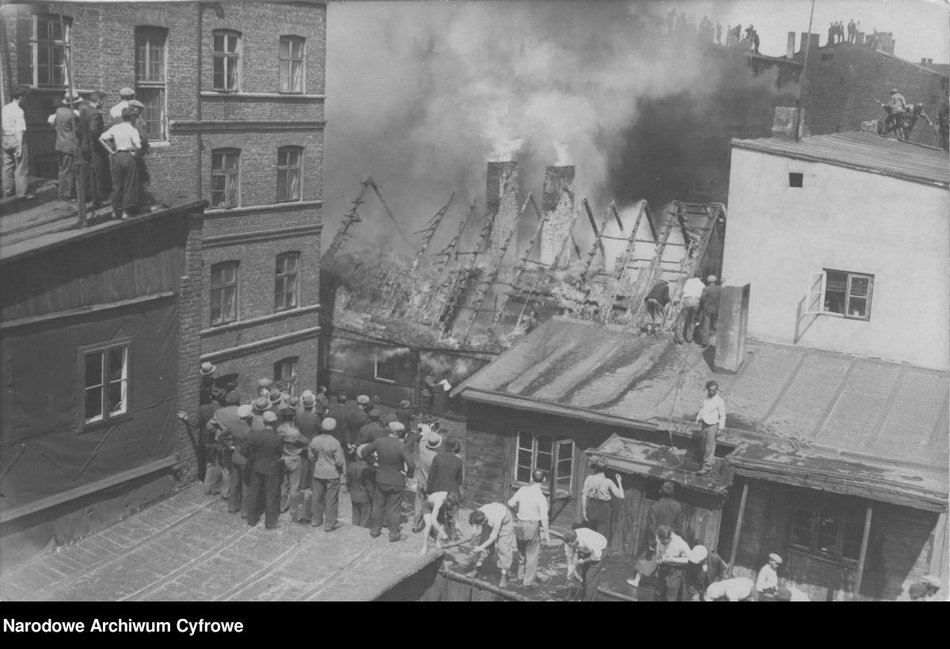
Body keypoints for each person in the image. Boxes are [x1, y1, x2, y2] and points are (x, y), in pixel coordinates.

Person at [361, 420, 414, 541]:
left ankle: (375, 530)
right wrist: (408, 474)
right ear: (400, 433)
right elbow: (411, 464)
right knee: (394, 508)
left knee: (378, 505)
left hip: (381, 478)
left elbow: (364, 452)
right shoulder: (402, 446)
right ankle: (393, 533)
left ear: (389, 430)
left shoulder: (379, 441)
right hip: (397, 480)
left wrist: (373, 463)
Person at [508, 469, 550, 587]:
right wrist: (546, 534)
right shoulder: (541, 497)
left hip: (520, 524)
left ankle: (520, 577)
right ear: (544, 480)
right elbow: (544, 518)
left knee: (522, 552)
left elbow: (510, 503)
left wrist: (516, 512)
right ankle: (528, 582)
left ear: (531, 479)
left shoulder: (523, 489)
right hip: (532, 526)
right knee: (532, 555)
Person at [209, 403, 253, 516]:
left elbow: (220, 437)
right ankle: (245, 511)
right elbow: (249, 447)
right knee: (246, 485)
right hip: (245, 460)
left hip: (234, 457)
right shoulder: (249, 431)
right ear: (249, 416)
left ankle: (232, 506)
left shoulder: (232, 425)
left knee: (234, 483)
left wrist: (229, 446)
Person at [98, 108, 141, 220]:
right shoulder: (133, 130)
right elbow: (139, 146)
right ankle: (125, 212)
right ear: (132, 117)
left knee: (117, 185)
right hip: (128, 156)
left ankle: (114, 211)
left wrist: (111, 151)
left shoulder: (116, 128)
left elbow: (101, 138)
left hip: (116, 157)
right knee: (129, 184)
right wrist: (135, 154)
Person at [246, 410, 283, 529]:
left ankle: (251, 519)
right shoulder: (277, 438)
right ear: (275, 422)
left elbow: (243, 449)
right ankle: (270, 522)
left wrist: (252, 458)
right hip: (271, 469)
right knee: (271, 495)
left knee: (254, 493)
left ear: (263, 421)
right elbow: (279, 454)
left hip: (256, 467)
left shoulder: (255, 435)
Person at [309, 417, 345, 532]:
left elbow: (311, 456)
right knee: (331, 499)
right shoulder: (335, 442)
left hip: (318, 472)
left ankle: (316, 519)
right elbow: (339, 461)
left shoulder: (315, 440)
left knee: (317, 496)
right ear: (333, 429)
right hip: (332, 474)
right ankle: (330, 523)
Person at [467, 503, 516, 588]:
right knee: (483, 542)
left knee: (503, 548)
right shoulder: (478, 513)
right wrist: (473, 535)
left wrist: (479, 548)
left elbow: (493, 537)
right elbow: (475, 523)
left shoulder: (496, 518)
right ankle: (477, 569)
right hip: (490, 516)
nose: (479, 526)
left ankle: (504, 575)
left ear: (483, 521)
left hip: (505, 520)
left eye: (480, 524)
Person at [427, 437, 464, 540]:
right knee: (453, 512)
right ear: (454, 447)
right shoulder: (458, 461)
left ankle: (439, 534)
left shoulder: (437, 458)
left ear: (444, 446)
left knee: (439, 512)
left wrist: (428, 490)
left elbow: (431, 476)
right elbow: (460, 479)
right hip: (452, 491)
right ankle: (453, 534)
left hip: (438, 488)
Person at [2, 87, 35, 200]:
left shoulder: (5, 108)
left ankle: (8, 190)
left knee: (7, 165)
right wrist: (20, 146)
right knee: (21, 166)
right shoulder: (19, 111)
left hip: (6, 138)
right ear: (21, 97)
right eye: (24, 97)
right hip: (16, 139)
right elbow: (19, 130)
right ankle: (21, 193)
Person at [50, 92, 82, 202]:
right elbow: (78, 130)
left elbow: (50, 120)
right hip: (69, 146)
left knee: (62, 169)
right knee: (69, 170)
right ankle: (66, 195)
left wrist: (56, 128)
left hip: (59, 144)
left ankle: (62, 192)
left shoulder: (59, 111)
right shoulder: (74, 115)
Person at [78, 91, 109, 207]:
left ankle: (86, 196)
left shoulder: (84, 111)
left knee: (87, 171)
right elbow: (93, 130)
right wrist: (102, 137)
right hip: (95, 147)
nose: (103, 103)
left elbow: (80, 129)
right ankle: (98, 198)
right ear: (98, 101)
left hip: (85, 145)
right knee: (98, 172)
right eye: (103, 101)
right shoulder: (96, 113)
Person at [411, 428, 443, 533]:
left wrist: (431, 433)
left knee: (419, 504)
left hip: (420, 480)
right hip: (430, 484)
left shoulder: (422, 446)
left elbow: (424, 437)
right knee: (430, 505)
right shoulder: (436, 458)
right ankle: (431, 526)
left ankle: (415, 525)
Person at [563, 527, 607, 601]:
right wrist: (570, 570)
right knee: (583, 576)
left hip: (599, 550)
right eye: (569, 545)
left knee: (590, 579)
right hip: (586, 550)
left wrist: (583, 560)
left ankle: (588, 599)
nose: (570, 546)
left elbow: (597, 556)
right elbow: (569, 555)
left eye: (571, 545)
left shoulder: (589, 541)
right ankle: (584, 595)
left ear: (575, 540)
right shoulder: (568, 540)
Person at [581, 459, 623, 536]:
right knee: (600, 534)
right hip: (604, 508)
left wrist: (584, 511)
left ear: (596, 468)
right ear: (606, 469)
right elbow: (621, 496)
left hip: (592, 506)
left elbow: (584, 496)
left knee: (590, 531)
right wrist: (619, 482)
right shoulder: (608, 481)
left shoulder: (589, 478)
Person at [277, 406, 307, 513]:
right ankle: (294, 509)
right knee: (295, 485)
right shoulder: (294, 432)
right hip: (294, 458)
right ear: (293, 417)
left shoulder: (279, 429)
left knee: (283, 484)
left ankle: (282, 506)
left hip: (282, 457)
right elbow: (305, 441)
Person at [695, 380, 726, 474]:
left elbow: (723, 416)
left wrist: (720, 428)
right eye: (710, 390)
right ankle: (709, 461)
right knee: (703, 443)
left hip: (713, 425)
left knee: (710, 446)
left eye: (713, 390)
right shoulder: (706, 399)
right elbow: (702, 409)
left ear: (717, 390)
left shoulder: (719, 401)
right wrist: (697, 419)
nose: (711, 392)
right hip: (705, 423)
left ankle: (707, 466)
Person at [655, 524, 691, 601]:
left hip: (675, 570)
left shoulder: (680, 543)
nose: (662, 543)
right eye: (660, 541)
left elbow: (689, 559)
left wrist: (673, 560)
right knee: (658, 592)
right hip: (662, 567)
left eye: (665, 542)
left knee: (671, 594)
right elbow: (658, 547)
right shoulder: (659, 537)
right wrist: (658, 559)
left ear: (670, 537)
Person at [418, 490, 456, 556]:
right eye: (449, 503)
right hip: (428, 507)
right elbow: (433, 520)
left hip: (438, 507)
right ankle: (424, 546)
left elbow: (454, 510)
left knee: (442, 525)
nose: (450, 505)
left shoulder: (450, 495)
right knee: (429, 525)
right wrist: (443, 533)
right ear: (446, 500)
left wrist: (457, 523)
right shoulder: (439, 500)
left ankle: (438, 542)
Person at [346, 454, 373, 528]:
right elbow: (369, 487)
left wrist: (350, 490)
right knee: (365, 518)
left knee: (355, 515)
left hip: (354, 494)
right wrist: (373, 499)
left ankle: (354, 530)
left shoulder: (351, 465)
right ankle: (361, 533)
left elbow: (348, 481)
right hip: (364, 496)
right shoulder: (367, 468)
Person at [680, 274, 705, 343]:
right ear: (701, 277)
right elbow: (702, 296)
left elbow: (683, 291)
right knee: (692, 320)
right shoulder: (702, 284)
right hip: (696, 302)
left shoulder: (688, 281)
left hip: (687, 300)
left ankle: (679, 337)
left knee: (682, 319)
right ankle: (689, 338)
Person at [697, 275, 721, 344]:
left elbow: (702, 299)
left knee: (706, 324)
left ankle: (705, 342)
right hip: (717, 309)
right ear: (715, 281)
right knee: (715, 324)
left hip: (708, 309)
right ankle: (715, 341)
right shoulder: (720, 288)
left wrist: (700, 307)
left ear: (708, 281)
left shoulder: (706, 289)